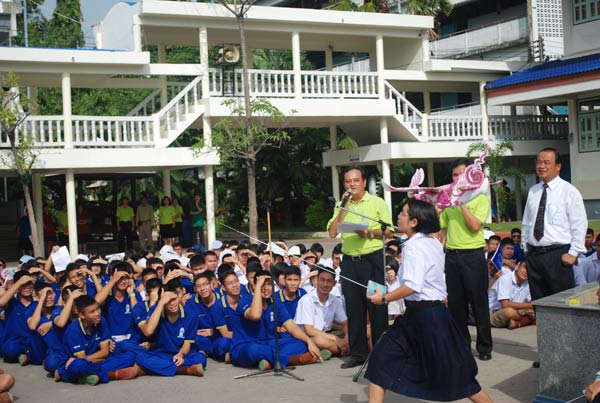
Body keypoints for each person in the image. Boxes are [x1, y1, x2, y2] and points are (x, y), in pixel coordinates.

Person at [365, 199, 492, 403]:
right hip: (417, 316)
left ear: (414, 221)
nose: (398, 216)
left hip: (428, 318)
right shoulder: (431, 241)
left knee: (458, 377)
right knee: (380, 360)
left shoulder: (415, 247)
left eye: (403, 213)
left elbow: (412, 286)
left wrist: (384, 298)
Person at [327, 166, 391, 369]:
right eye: (348, 181)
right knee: (354, 309)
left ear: (363, 182)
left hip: (373, 262)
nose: (352, 184)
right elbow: (332, 232)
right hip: (350, 263)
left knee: (377, 308)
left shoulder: (377, 202)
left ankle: (381, 354)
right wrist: (343, 209)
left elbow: (389, 231)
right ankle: (358, 354)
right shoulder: (341, 205)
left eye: (355, 180)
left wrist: (369, 233)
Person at [440, 157, 493, 361]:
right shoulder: (448, 199)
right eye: (454, 175)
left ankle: (484, 347)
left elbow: (474, 226)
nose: (457, 179)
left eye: (461, 174)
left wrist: (461, 201)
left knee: (478, 303)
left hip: (473, 255)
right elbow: (443, 230)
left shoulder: (480, 198)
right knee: (456, 305)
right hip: (452, 256)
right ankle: (462, 346)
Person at [522, 148, 587, 302]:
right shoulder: (533, 191)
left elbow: (579, 224)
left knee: (560, 304)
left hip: (557, 256)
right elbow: (527, 222)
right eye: (539, 162)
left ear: (558, 166)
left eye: (547, 162)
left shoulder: (569, 191)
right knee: (539, 304)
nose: (541, 166)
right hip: (534, 256)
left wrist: (574, 252)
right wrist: (525, 247)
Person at [229, 270, 325, 370]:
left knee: (301, 344)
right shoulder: (244, 300)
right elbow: (255, 315)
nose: (266, 288)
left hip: (269, 343)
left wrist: (309, 342)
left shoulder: (275, 301)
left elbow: (290, 325)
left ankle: (270, 361)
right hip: (245, 345)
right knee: (254, 350)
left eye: (269, 284)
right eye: (262, 285)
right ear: (254, 286)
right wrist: (257, 287)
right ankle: (293, 360)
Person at [55, 295, 139, 385]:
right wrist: (97, 359)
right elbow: (81, 358)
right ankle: (108, 375)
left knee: (130, 356)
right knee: (79, 365)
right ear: (82, 315)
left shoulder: (101, 321)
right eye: (92, 312)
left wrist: (92, 359)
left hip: (92, 361)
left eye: (98, 309)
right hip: (74, 364)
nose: (97, 313)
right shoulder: (73, 329)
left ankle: (86, 376)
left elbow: (105, 352)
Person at [135, 281, 205, 377]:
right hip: (162, 353)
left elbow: (187, 344)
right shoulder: (156, 311)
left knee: (200, 358)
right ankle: (183, 370)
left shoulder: (191, 316)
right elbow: (148, 331)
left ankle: (156, 369)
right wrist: (161, 303)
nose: (172, 304)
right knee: (140, 357)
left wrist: (180, 355)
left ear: (178, 297)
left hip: (183, 354)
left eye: (174, 299)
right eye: (167, 301)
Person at [295, 268, 349, 357]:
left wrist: (346, 339)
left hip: (327, 334)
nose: (325, 284)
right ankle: (345, 349)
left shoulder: (334, 300)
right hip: (308, 337)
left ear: (334, 283)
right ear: (316, 281)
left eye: (329, 281)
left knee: (364, 333)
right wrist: (336, 339)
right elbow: (309, 330)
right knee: (320, 341)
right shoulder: (307, 300)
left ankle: (334, 350)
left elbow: (345, 323)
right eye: (322, 280)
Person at [0, 270, 35, 363]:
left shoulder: (37, 302)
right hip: (16, 343)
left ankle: (29, 357)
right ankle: (30, 357)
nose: (27, 287)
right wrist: (19, 282)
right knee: (9, 350)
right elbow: (1, 302)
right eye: (23, 285)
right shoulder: (11, 301)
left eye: (29, 284)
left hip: (33, 341)